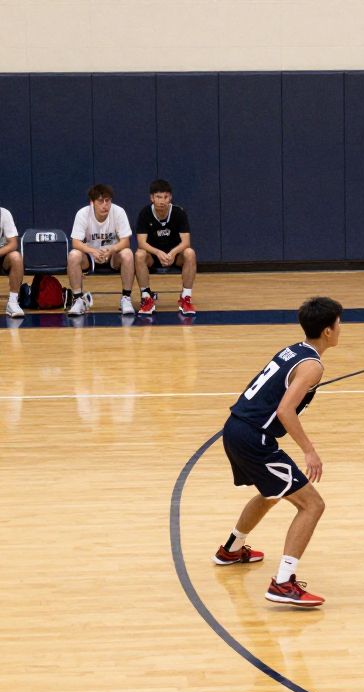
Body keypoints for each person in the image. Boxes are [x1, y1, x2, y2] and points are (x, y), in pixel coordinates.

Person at [212, 296, 343, 608]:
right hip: (253, 438)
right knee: (312, 505)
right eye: (339, 324)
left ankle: (232, 548)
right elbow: (286, 411)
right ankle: (283, 582)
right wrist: (309, 451)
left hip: (235, 428)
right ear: (327, 331)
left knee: (271, 493)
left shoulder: (293, 350)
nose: (341, 329)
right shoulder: (312, 366)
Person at [67, 184, 135, 316]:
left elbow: (125, 241)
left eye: (108, 200)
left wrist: (112, 250)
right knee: (73, 255)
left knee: (127, 253)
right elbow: (75, 242)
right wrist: (92, 251)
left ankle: (126, 298)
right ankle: (78, 299)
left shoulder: (118, 212)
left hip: (112, 256)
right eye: (100, 201)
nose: (105, 205)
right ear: (92, 203)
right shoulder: (82, 214)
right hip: (90, 258)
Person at [134, 179, 198, 316]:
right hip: (153, 256)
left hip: (173, 256)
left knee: (190, 253)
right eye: (158, 197)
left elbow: (186, 242)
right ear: (152, 198)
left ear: (170, 197)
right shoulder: (145, 213)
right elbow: (141, 243)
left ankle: (186, 298)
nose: (162, 201)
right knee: (139, 254)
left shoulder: (178, 212)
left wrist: (173, 253)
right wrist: (158, 253)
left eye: (165, 197)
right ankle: (146, 298)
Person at [0, 206, 24, 318]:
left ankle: (13, 302)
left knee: (16, 257)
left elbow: (13, 244)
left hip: (2, 255)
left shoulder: (4, 214)